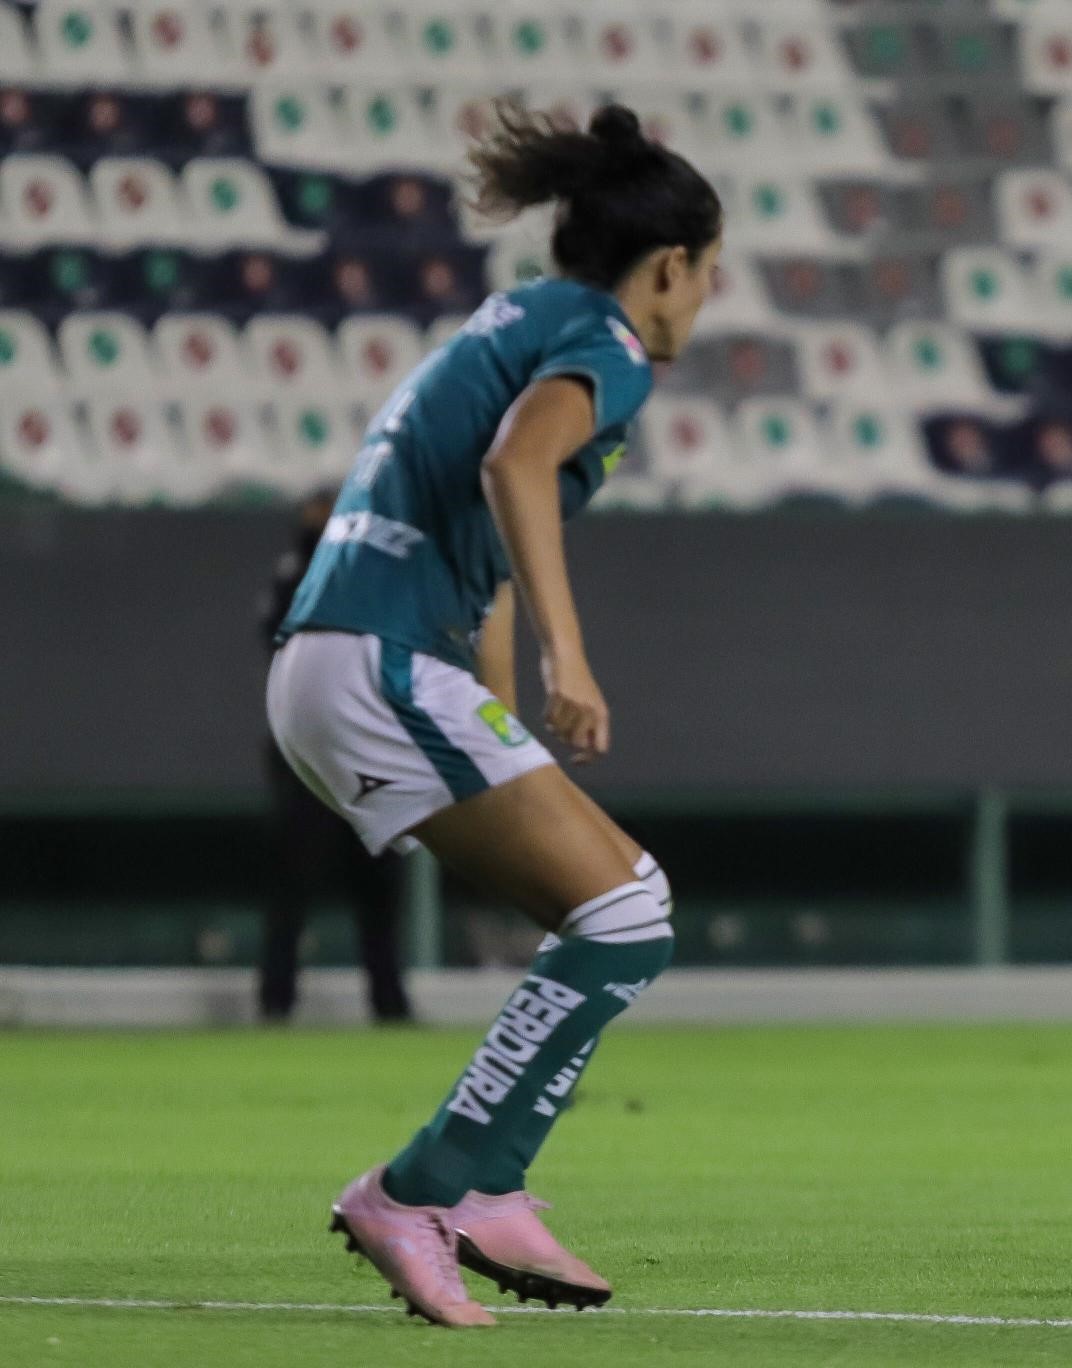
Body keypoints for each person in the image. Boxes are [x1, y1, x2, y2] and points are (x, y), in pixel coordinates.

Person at [266, 103, 722, 1328]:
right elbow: (515, 467)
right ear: (670, 265)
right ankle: (417, 1190)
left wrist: (504, 716)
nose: (704, 301)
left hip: (349, 659)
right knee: (625, 913)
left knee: (621, 907)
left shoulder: (521, 318)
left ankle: (490, 1182)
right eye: (707, 274)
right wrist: (575, 659)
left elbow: (496, 551)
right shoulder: (608, 341)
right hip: (377, 659)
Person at [257, 488, 412, 1025]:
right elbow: (281, 639)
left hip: (368, 752)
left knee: (379, 885)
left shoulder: (377, 575)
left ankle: (389, 1003)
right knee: (292, 881)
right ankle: (276, 1002)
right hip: (309, 753)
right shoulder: (297, 574)